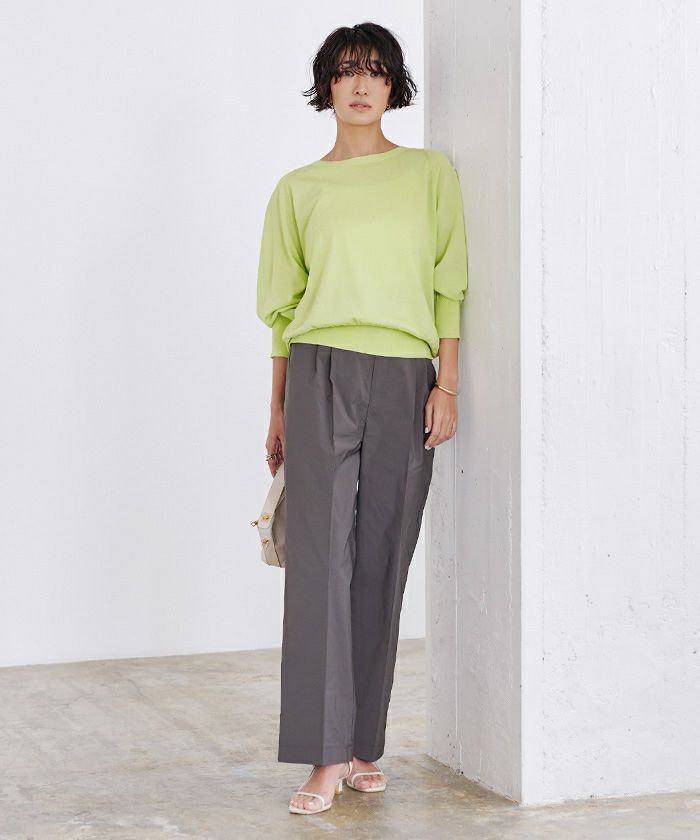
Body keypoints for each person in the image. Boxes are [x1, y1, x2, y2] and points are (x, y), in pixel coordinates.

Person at [256, 21, 468, 816]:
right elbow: (281, 312)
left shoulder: (428, 174)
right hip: (318, 372)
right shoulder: (298, 189)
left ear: (393, 87)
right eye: (346, 71)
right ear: (327, 85)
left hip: (406, 374)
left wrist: (447, 384)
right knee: (319, 562)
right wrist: (277, 407)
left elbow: (449, 282)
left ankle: (360, 747)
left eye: (376, 71)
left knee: (383, 555)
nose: (360, 84)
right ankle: (321, 757)